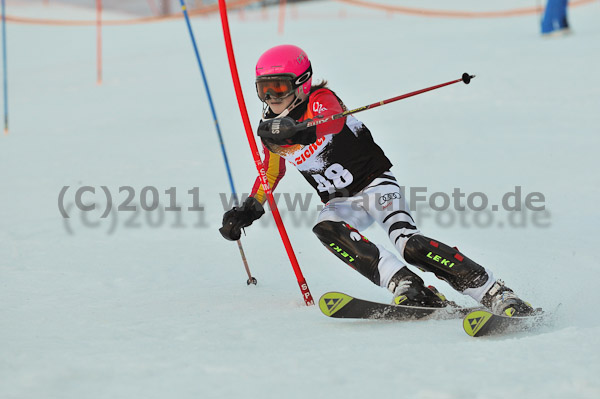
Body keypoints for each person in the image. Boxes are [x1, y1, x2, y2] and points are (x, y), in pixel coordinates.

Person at [219, 44, 534, 317]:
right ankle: (405, 285)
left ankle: (492, 291)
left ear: (302, 83)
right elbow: (271, 172)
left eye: (280, 87)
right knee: (326, 227)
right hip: (340, 201)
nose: (272, 97)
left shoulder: (320, 98)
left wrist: (302, 131)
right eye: (264, 89)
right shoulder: (272, 131)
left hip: (375, 184)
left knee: (409, 243)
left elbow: (333, 120)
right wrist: (248, 209)